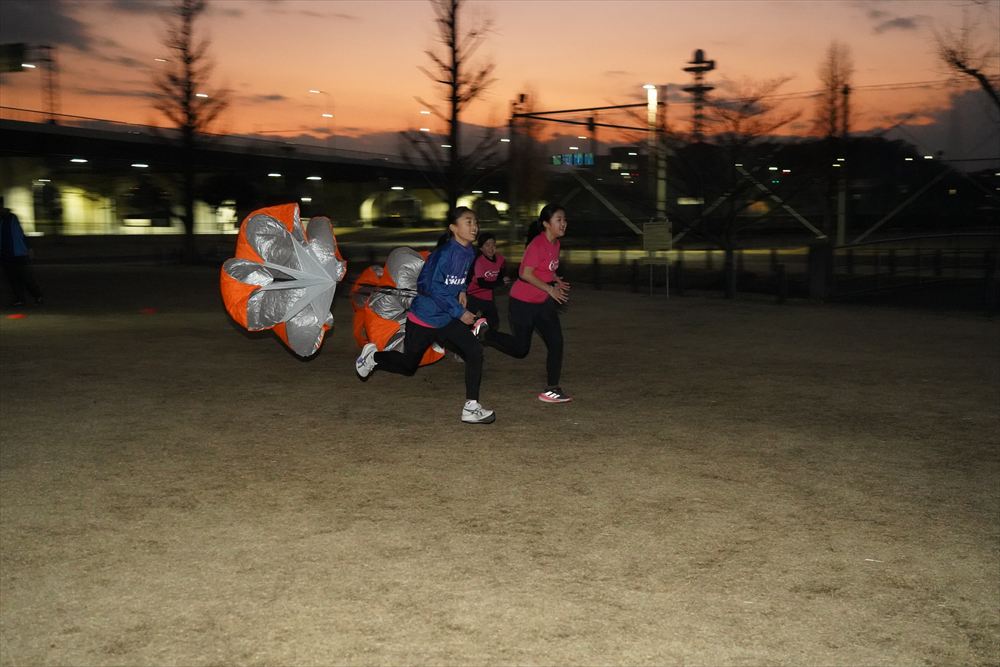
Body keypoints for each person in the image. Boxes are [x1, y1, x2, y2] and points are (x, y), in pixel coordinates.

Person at [355, 207, 495, 424]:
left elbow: (460, 276)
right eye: (468, 222)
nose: (474, 227)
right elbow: (428, 285)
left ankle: (471, 407)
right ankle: (373, 358)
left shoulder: (469, 252)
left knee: (475, 351)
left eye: (475, 222)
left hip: (445, 319)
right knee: (408, 365)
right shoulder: (444, 254)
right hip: (423, 319)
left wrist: (462, 290)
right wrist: (460, 312)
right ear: (453, 227)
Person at [481, 203, 572, 403]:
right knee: (520, 350)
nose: (563, 223)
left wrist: (555, 279)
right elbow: (525, 273)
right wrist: (550, 289)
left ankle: (552, 389)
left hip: (543, 303)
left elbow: (546, 268)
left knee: (556, 342)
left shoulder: (555, 244)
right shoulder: (537, 245)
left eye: (564, 219)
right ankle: (486, 334)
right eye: (559, 220)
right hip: (522, 303)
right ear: (546, 224)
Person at [0, 196, 43, 308]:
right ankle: (20, 299)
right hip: (6, 254)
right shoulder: (8, 218)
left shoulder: (11, 218)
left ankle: (37, 296)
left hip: (17, 254)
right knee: (12, 279)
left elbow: (19, 234)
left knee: (26, 277)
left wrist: (27, 248)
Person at [466, 231, 511, 331]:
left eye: (493, 244)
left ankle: (485, 335)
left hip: (488, 296)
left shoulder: (500, 258)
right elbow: (482, 283)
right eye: (487, 245)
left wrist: (504, 278)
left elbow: (502, 273)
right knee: (468, 322)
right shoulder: (480, 262)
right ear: (481, 248)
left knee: (494, 322)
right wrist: (500, 282)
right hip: (473, 295)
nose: (491, 248)